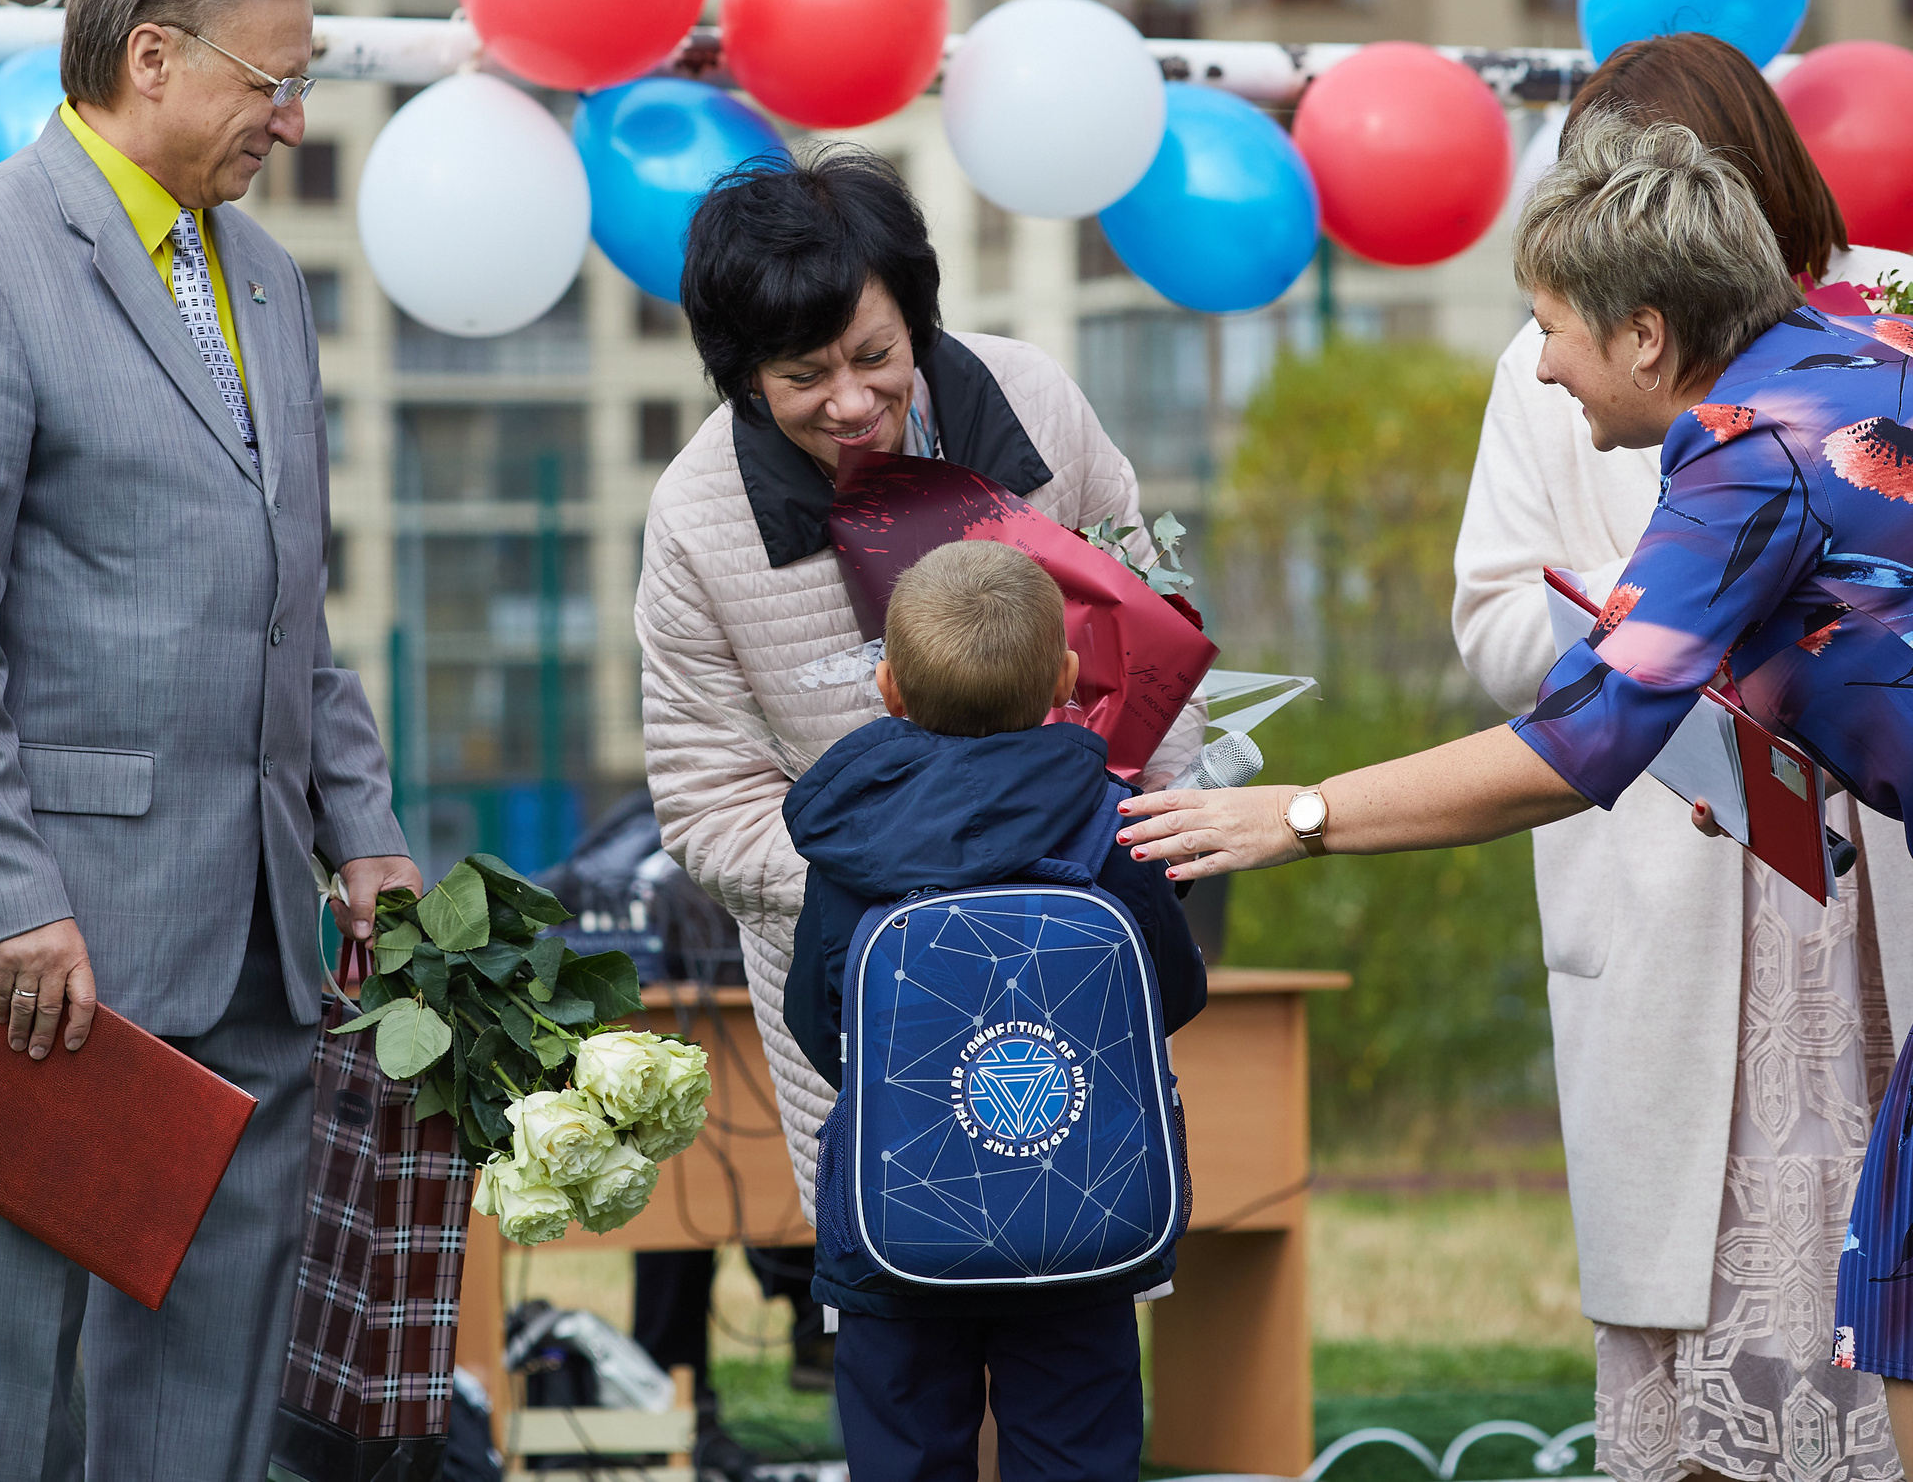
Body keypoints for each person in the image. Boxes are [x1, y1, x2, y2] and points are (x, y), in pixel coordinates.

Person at [1117, 111, 1913, 1473]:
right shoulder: (1860, 356)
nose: (1541, 365)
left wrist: (1295, 814)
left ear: (1648, 335)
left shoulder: (1751, 451)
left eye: (1551, 326)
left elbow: (1580, 740)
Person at [0, 0, 414, 1482]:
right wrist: (1, 893)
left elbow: (292, 605)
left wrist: (359, 826)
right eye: (269, 82)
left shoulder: (274, 284)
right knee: (0, 1404)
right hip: (44, 956)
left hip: (255, 951)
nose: (292, 122)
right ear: (150, 56)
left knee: (209, 1415)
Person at [1452, 31, 1913, 1482]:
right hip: (1679, 849)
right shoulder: (1558, 349)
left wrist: (1310, 810)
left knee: (1880, 1263)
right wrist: (1643, 606)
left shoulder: (1881, 320)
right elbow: (1500, 622)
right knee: (1700, 1285)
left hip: (1864, 873)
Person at [637, 149, 1202, 1225]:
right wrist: (900, 901)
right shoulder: (697, 520)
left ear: (918, 319)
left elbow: (1154, 636)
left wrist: (1134, 863)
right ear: (742, 375)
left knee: (1080, 1267)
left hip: (1072, 943)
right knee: (902, 1301)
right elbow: (709, 802)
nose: (852, 402)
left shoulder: (1032, 402)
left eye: (875, 356)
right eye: (803, 377)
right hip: (859, 985)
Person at [781, 541, 1206, 1481]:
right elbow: (1169, 995)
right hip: (1077, 1217)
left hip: (893, 1221)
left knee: (904, 1460)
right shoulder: (1110, 823)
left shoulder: (851, 837)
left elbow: (819, 1018)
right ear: (1065, 678)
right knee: (1077, 1456)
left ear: (888, 686)